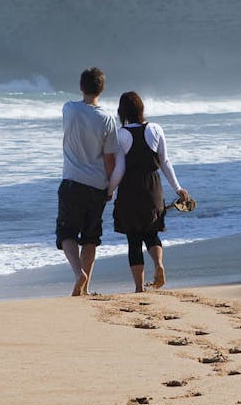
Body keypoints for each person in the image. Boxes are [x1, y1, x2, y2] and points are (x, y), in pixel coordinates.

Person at [108, 91, 189, 293]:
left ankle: (139, 287)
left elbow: (119, 169)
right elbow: (165, 162)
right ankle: (159, 265)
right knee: (151, 233)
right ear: (141, 108)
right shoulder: (155, 129)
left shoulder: (121, 134)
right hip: (153, 187)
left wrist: (109, 190)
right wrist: (178, 188)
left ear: (122, 111)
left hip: (129, 189)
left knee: (134, 239)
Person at [57, 67, 121, 297]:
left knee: (67, 234)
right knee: (91, 238)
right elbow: (109, 159)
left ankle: (78, 274)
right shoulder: (107, 119)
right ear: (101, 89)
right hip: (97, 185)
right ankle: (85, 286)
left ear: (80, 86)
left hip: (72, 181)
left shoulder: (69, 109)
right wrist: (111, 187)